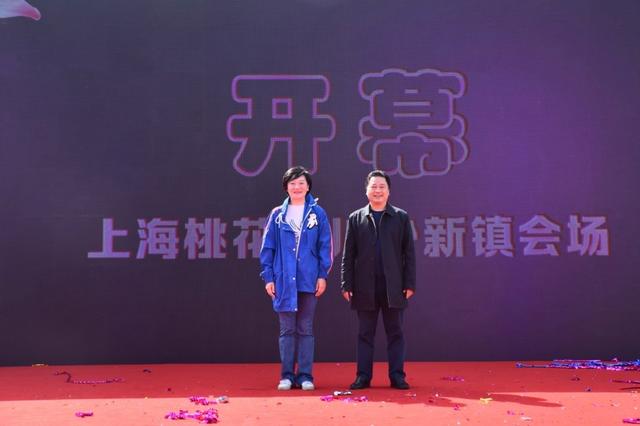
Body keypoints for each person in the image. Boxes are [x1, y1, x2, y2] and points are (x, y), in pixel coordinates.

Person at [341, 170, 416, 390]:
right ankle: (363, 377)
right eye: (373, 186)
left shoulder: (400, 217)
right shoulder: (356, 218)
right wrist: (346, 284)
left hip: (394, 286)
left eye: (382, 186)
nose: (377, 191)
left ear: (389, 191)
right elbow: (348, 255)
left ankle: (397, 376)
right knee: (365, 334)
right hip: (365, 286)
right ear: (366, 191)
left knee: (396, 333)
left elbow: (409, 253)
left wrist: (409, 283)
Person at [260, 166, 333, 391]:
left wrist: (322, 275)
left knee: (305, 328)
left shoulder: (317, 213)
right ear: (286, 187)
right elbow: (268, 248)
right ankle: (286, 376)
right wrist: (268, 277)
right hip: (283, 280)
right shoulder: (277, 215)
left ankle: (305, 376)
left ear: (308, 186)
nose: (297, 187)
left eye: (301, 183)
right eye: (292, 183)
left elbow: (325, 246)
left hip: (308, 279)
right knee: (287, 329)